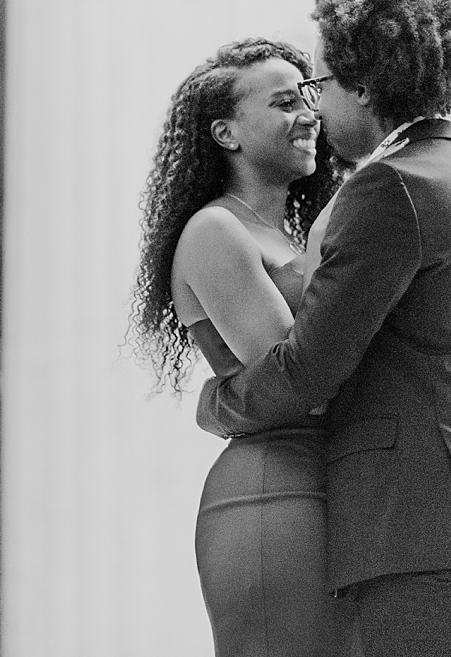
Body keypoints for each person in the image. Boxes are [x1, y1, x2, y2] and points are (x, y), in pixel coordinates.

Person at [196, 0, 451, 657]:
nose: (312, 105)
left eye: (320, 85)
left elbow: (308, 369)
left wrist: (219, 403)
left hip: (424, 527)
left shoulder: (389, 191)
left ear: (364, 84)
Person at [131, 38, 349, 657]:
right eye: (284, 102)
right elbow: (294, 371)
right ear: (227, 133)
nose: (310, 114)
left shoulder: (293, 234)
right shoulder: (214, 229)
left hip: (330, 485)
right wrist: (349, 213)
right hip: (274, 496)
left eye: (308, 97)